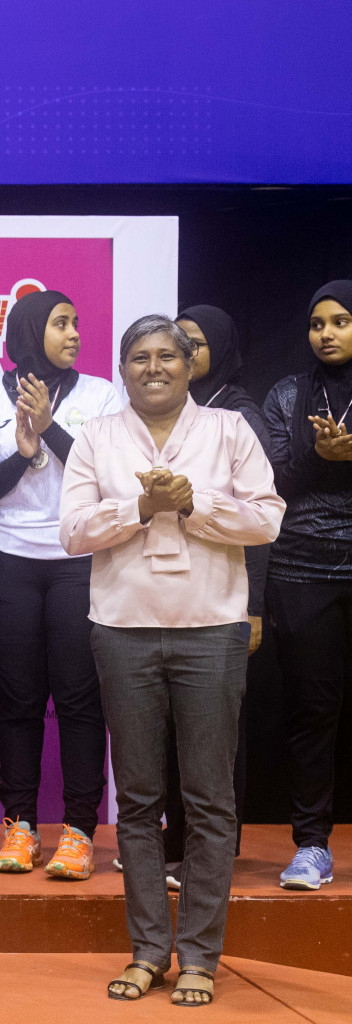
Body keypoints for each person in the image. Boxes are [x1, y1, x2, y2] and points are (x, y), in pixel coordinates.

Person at [61, 314, 282, 1007]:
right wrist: (139, 505)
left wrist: (195, 506)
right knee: (137, 801)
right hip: (123, 629)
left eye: (166, 356)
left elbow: (268, 519)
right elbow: (71, 531)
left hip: (210, 629)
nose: (152, 367)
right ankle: (149, 949)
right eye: (138, 357)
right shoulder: (97, 436)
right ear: (123, 369)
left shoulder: (230, 431)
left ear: (190, 366)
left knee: (211, 800)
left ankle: (200, 956)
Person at [0, 290, 121, 881]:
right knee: (20, 700)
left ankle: (79, 830)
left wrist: (51, 429)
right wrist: (23, 453)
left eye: (77, 322)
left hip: (78, 558)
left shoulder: (100, 394)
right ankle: (21, 826)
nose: (74, 332)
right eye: (61, 323)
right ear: (32, 331)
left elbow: (106, 476)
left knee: (79, 699)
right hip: (6, 558)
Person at [156, 305, 271, 882]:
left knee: (220, 734)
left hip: (225, 598)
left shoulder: (238, 415)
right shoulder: (174, 415)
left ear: (218, 348)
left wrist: (253, 608)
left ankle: (214, 850)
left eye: (194, 344)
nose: (184, 353)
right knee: (180, 729)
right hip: (174, 595)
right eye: (178, 343)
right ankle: (179, 844)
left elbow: (261, 518)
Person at [263, 280, 352, 892]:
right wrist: (323, 457)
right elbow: (272, 487)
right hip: (302, 570)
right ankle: (312, 846)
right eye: (318, 322)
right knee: (311, 711)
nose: (327, 333)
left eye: (342, 321)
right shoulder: (288, 394)